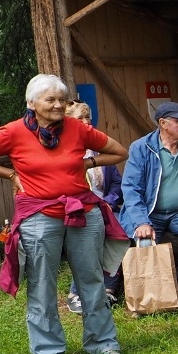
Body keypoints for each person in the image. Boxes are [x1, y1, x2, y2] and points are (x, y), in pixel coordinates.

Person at [0, 74, 129, 354]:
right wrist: (10, 174)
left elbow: (118, 151)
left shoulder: (77, 129)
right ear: (32, 103)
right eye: (50, 99)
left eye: (62, 99)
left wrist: (88, 162)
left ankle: (102, 344)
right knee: (41, 285)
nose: (58, 105)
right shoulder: (12, 132)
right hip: (38, 217)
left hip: (82, 212)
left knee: (91, 279)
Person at [120, 101, 178, 310]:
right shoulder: (141, 148)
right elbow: (130, 188)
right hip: (150, 212)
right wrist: (141, 222)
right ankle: (146, 297)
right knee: (144, 243)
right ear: (163, 123)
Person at [63, 100, 123, 314]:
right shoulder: (66, 151)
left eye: (88, 116)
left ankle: (109, 288)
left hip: (105, 207)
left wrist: (109, 200)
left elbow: (116, 182)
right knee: (87, 246)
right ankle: (75, 293)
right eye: (80, 118)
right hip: (78, 209)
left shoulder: (99, 149)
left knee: (119, 236)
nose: (86, 121)